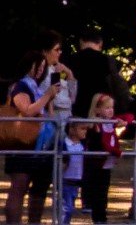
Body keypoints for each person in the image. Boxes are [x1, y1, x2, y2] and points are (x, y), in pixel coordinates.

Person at [5, 34, 70, 225]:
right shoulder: (20, 85)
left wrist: (48, 100)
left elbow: (44, 113)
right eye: (38, 66)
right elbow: (26, 111)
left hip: (39, 143)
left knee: (39, 188)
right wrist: (48, 95)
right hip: (22, 143)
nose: (41, 69)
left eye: (43, 67)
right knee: (19, 187)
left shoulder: (37, 87)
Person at [81, 95, 124, 225]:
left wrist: (123, 122)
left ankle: (102, 218)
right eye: (107, 108)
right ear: (98, 110)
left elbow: (129, 117)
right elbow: (105, 143)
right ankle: (97, 216)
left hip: (106, 164)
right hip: (96, 163)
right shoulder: (96, 125)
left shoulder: (111, 123)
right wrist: (117, 152)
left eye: (112, 108)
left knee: (104, 191)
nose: (111, 110)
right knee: (96, 191)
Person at [63, 34, 125, 120]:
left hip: (76, 112)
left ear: (81, 42)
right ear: (100, 44)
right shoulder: (110, 62)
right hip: (102, 114)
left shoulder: (69, 60)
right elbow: (121, 88)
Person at [59, 124, 85, 225]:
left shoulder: (83, 145)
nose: (85, 131)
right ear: (72, 130)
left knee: (71, 207)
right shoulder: (64, 144)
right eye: (82, 128)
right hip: (65, 179)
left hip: (76, 180)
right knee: (66, 208)